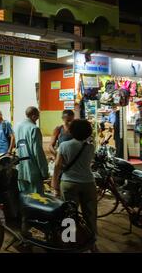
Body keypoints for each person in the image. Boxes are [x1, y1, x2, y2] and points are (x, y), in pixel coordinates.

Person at [51, 119, 98, 250]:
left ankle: (69, 242)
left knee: (69, 214)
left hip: (69, 183)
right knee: (90, 214)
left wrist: (54, 184)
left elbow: (57, 165)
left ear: (72, 131)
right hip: (88, 183)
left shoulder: (65, 145)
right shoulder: (90, 146)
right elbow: (87, 163)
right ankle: (92, 242)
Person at [14, 106, 49, 194]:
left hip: (20, 168)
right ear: (33, 116)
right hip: (33, 170)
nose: (37, 119)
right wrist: (44, 172)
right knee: (37, 200)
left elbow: (20, 145)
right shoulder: (34, 129)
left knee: (24, 198)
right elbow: (38, 152)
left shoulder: (18, 126)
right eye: (37, 117)